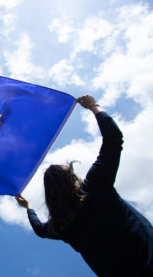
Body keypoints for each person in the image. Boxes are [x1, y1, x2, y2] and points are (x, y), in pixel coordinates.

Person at [15, 95, 153, 276]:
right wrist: (93, 106)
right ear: (72, 179)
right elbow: (113, 139)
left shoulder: (61, 226)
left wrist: (29, 208)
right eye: (72, 173)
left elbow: (40, 230)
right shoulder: (95, 187)